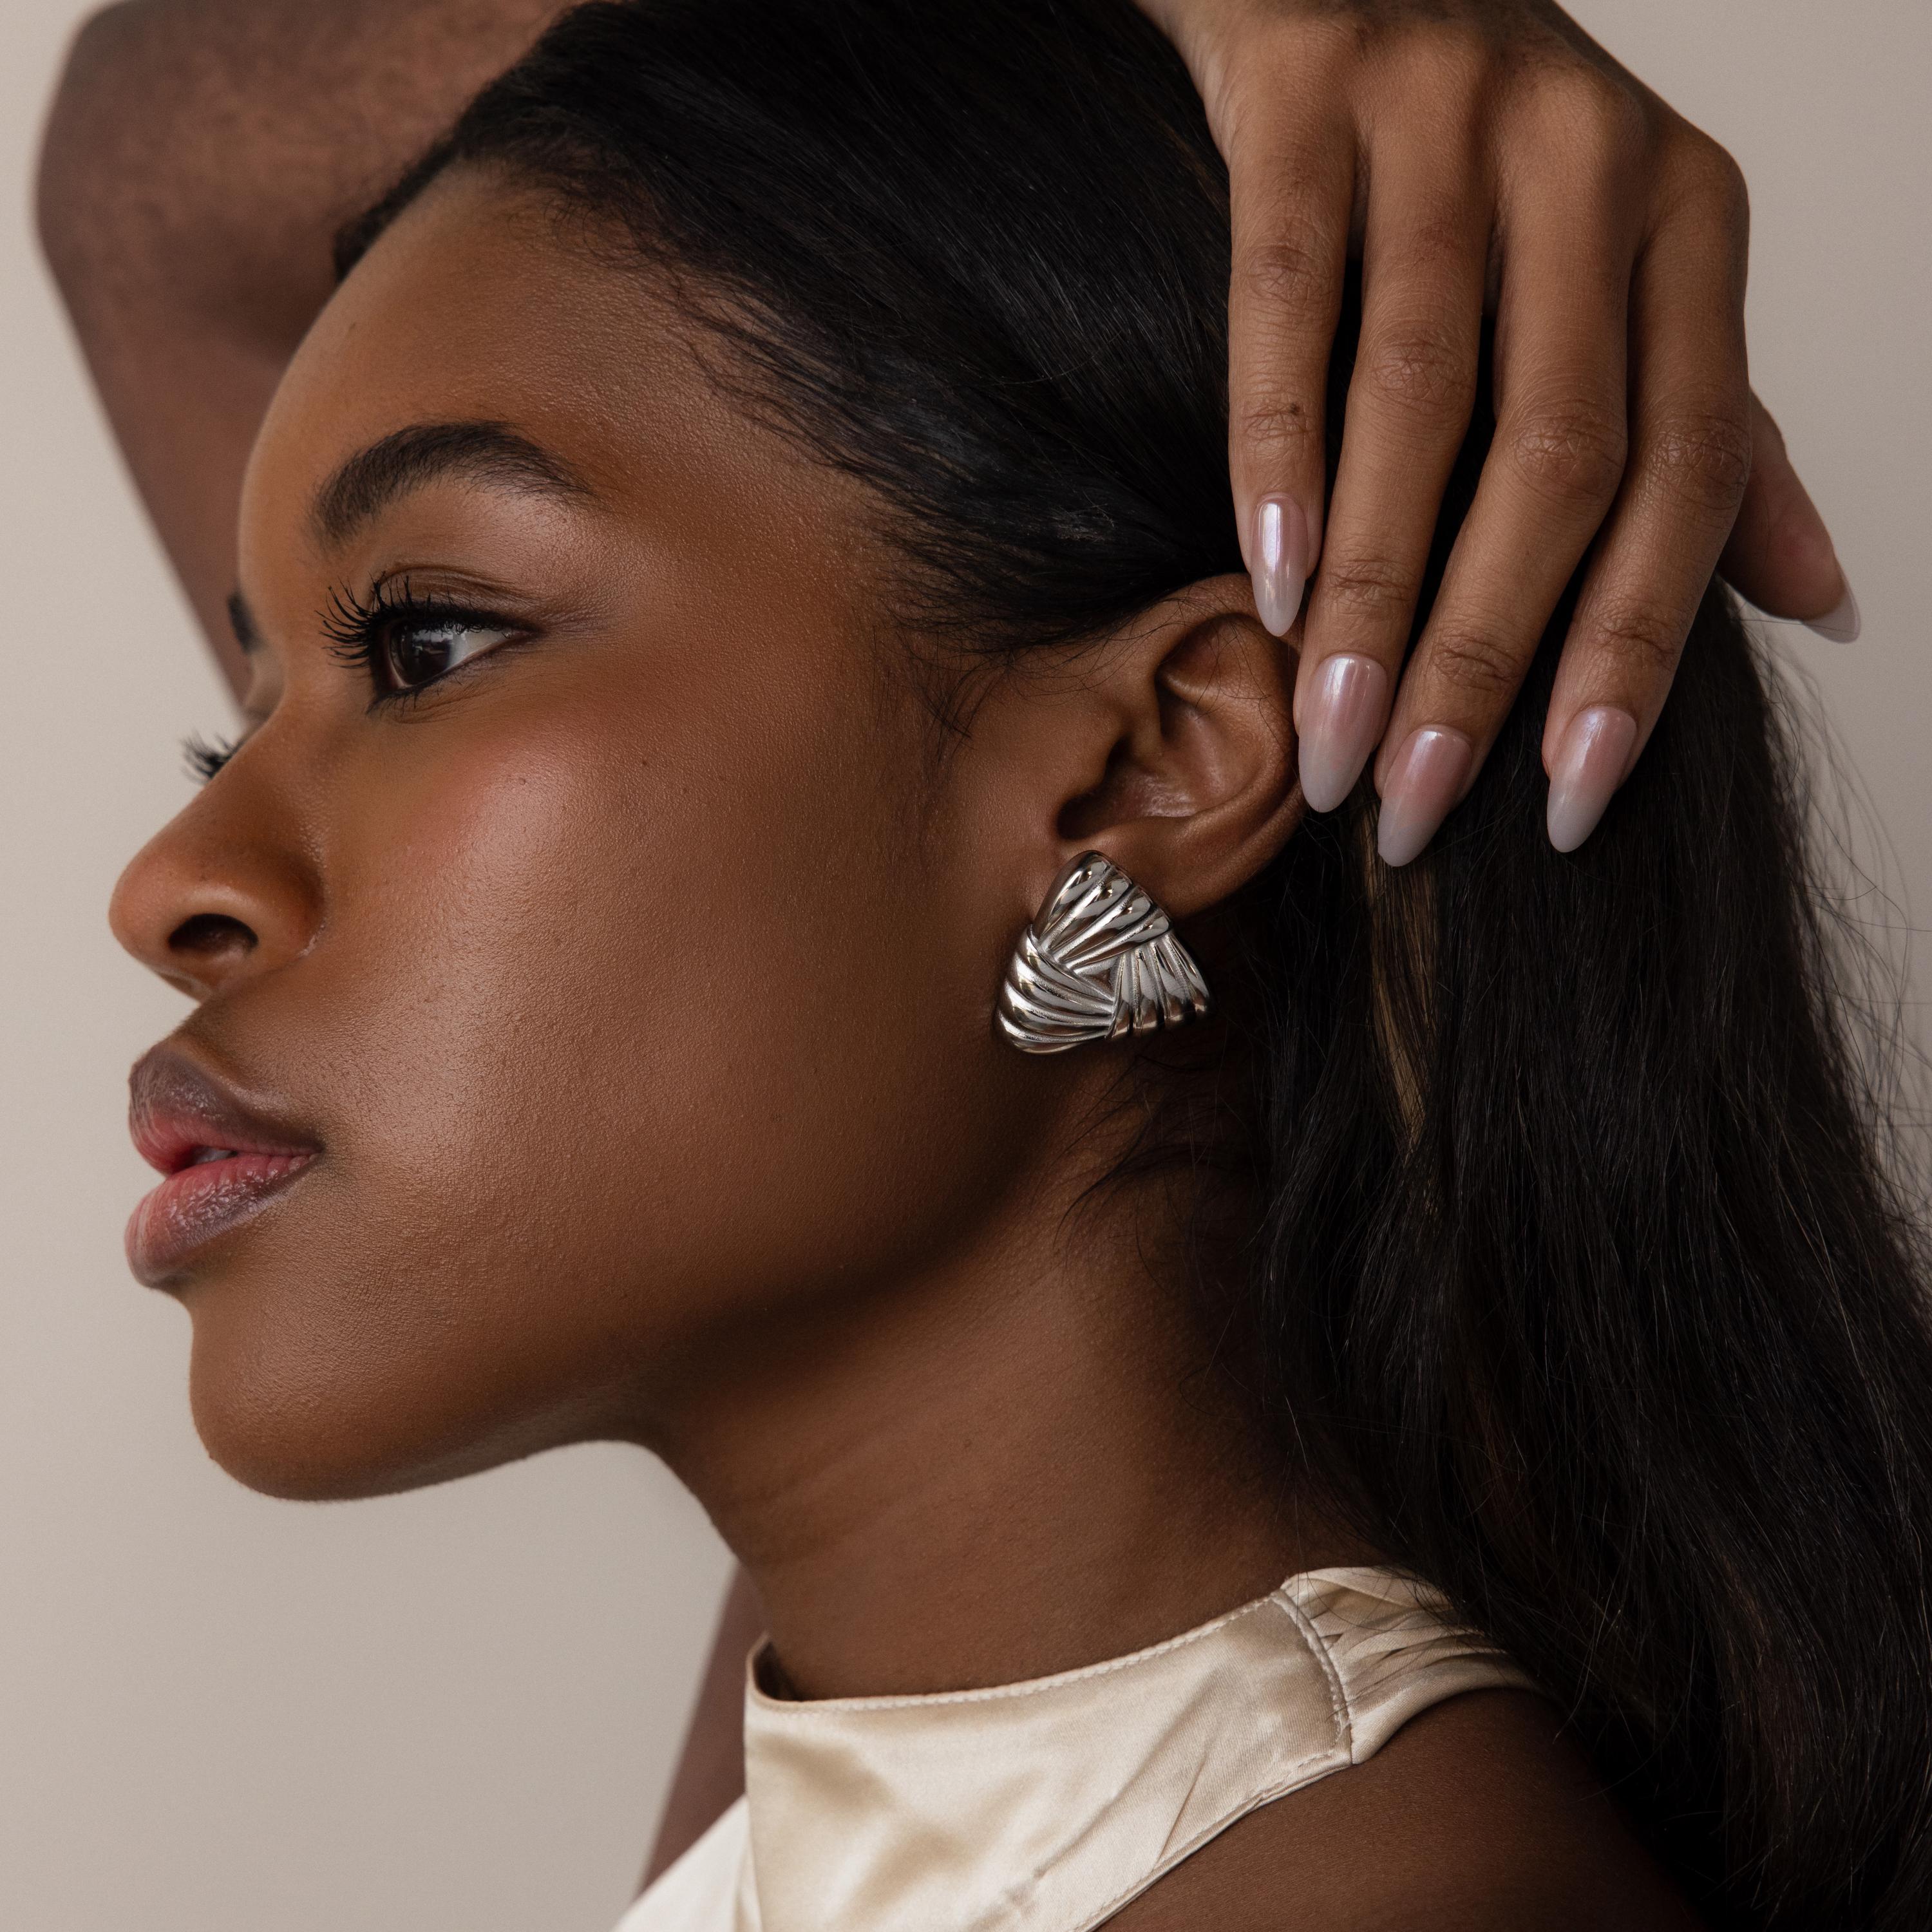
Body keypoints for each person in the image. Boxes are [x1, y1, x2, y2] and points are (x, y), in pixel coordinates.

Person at [40, 1, 1931, 1928]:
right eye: (234, 727)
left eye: (426, 645)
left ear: (1147, 765)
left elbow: (158, 188)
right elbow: (158, 170)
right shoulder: (951, 1778)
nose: (170, 885)